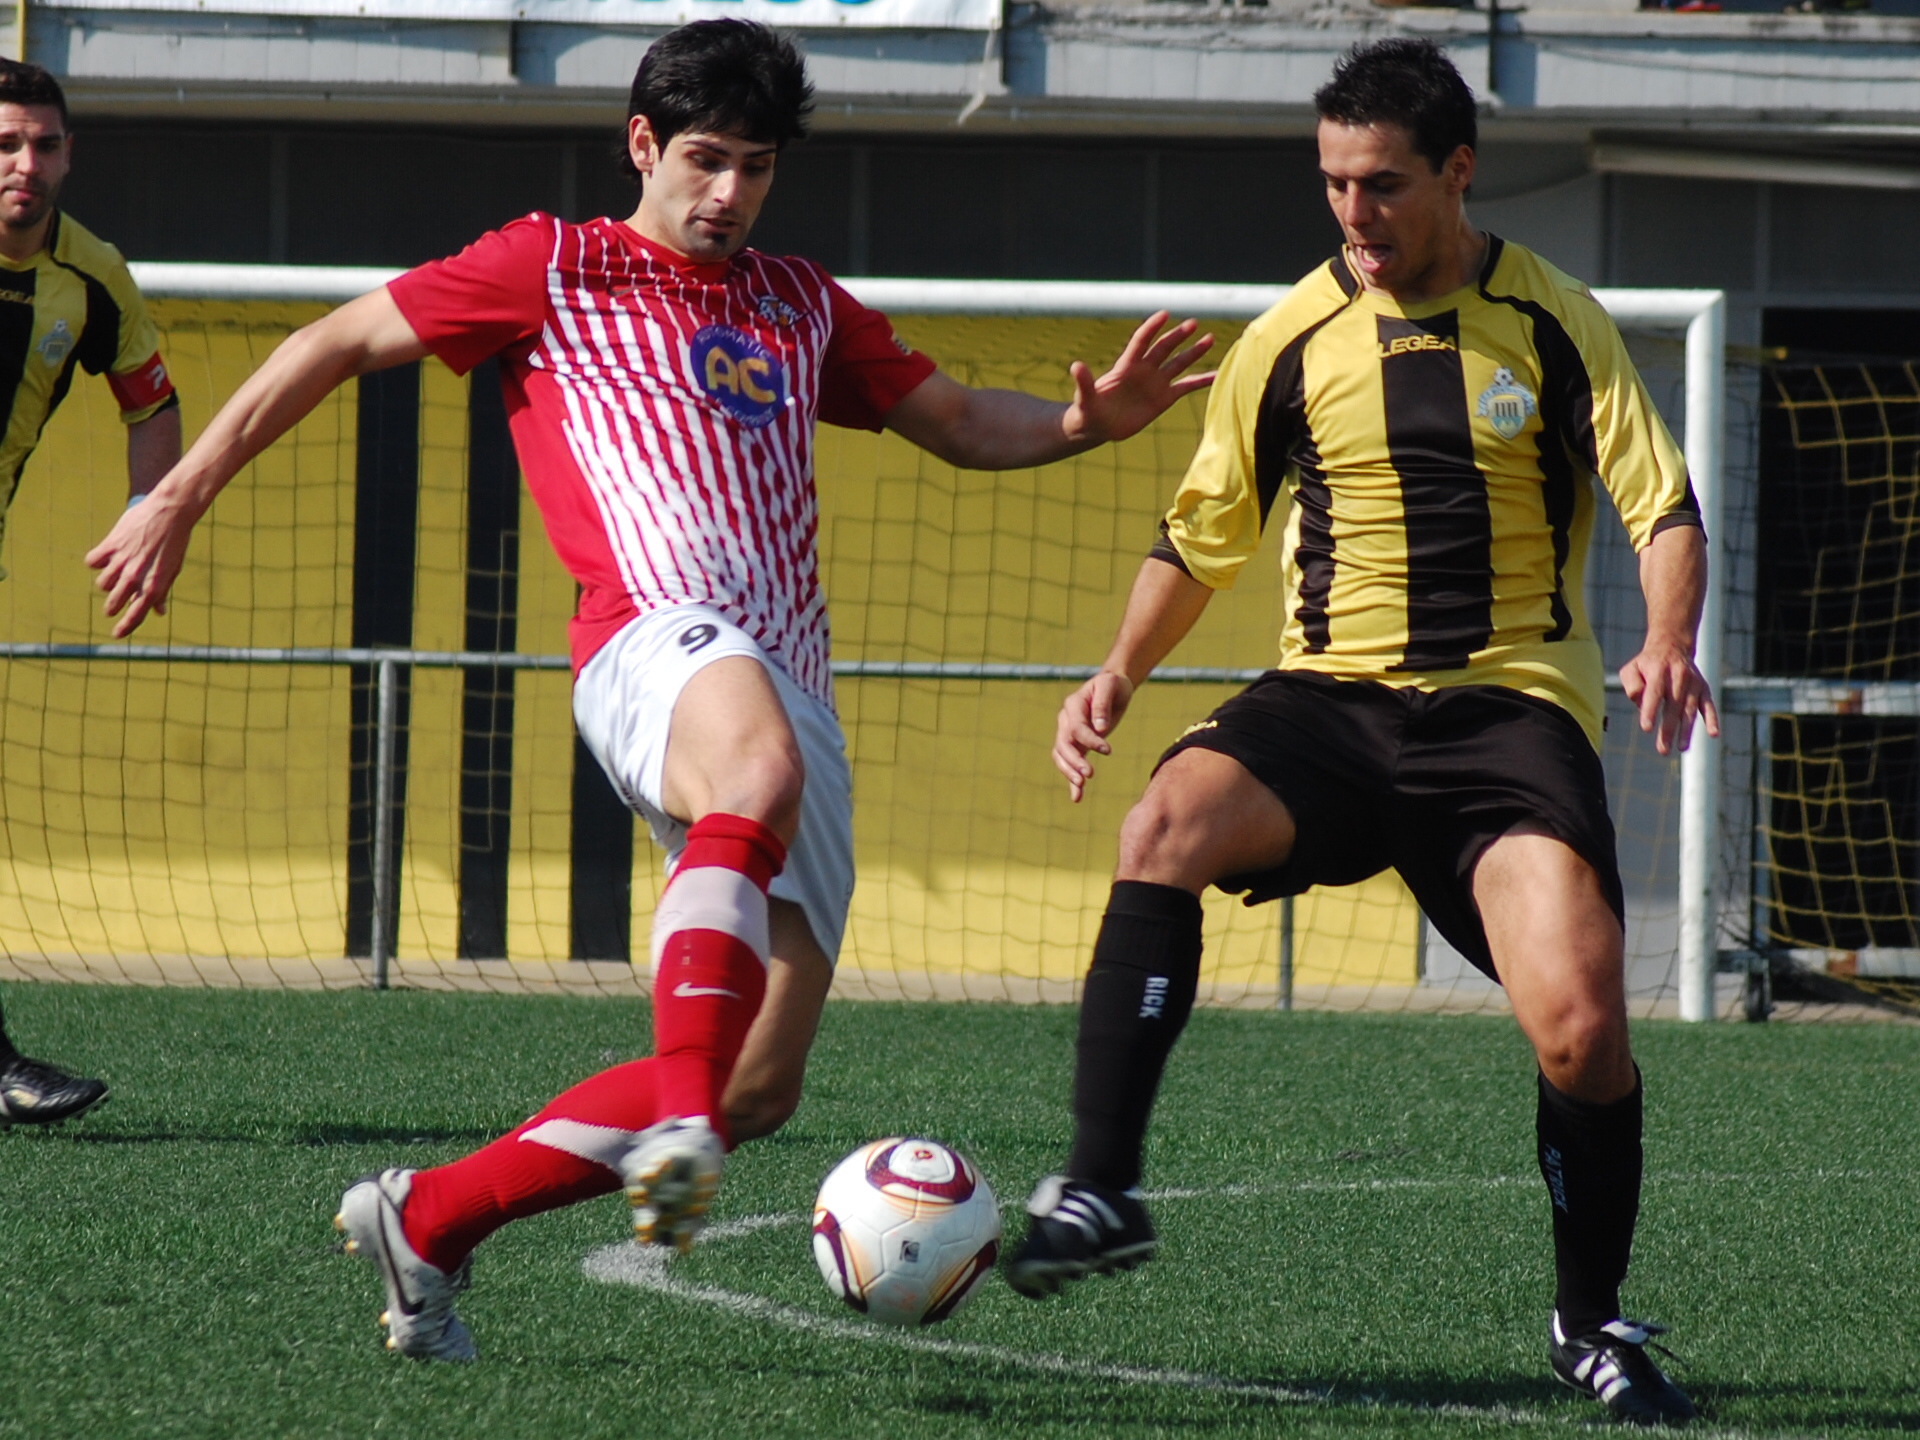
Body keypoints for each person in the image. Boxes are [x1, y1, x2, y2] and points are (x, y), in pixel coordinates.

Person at [85, 20, 1212, 1362]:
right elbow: (331, 340)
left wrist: (1086, 424)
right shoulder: (551, 266)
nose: (729, 192)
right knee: (750, 813)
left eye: (756, 168)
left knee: (761, 1085)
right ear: (643, 145)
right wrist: (176, 496)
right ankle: (674, 1113)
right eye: (705, 159)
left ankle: (430, 1217)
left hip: (789, 684)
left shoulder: (800, 301)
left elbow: (957, 418)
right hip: (650, 642)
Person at [1004, 38, 1712, 1428]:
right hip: (1328, 702)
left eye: (1381, 184)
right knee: (1164, 825)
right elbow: (1202, 533)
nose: (1352, 213)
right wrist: (1116, 673)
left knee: (1580, 1032)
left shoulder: (1556, 321)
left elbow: (1663, 504)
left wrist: (1668, 636)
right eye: (1332, 183)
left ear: (1457, 172)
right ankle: (1100, 1183)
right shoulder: (1289, 339)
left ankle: (1589, 1320)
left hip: (1507, 714)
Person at [0, 60, 181, 1128]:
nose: (27, 166)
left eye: (45, 145)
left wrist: (149, 508)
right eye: (6, 144)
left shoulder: (92, 276)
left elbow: (148, 396)